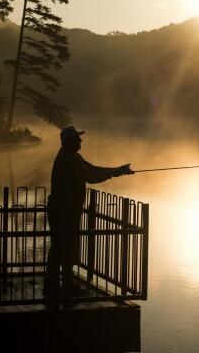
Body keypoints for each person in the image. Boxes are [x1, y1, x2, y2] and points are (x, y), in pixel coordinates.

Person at [44, 125, 134, 303]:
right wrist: (116, 172)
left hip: (63, 209)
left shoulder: (72, 156)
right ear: (69, 141)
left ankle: (54, 285)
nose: (80, 140)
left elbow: (92, 168)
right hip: (64, 211)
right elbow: (91, 176)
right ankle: (63, 286)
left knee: (60, 247)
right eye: (77, 138)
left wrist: (117, 171)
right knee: (65, 248)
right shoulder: (69, 159)